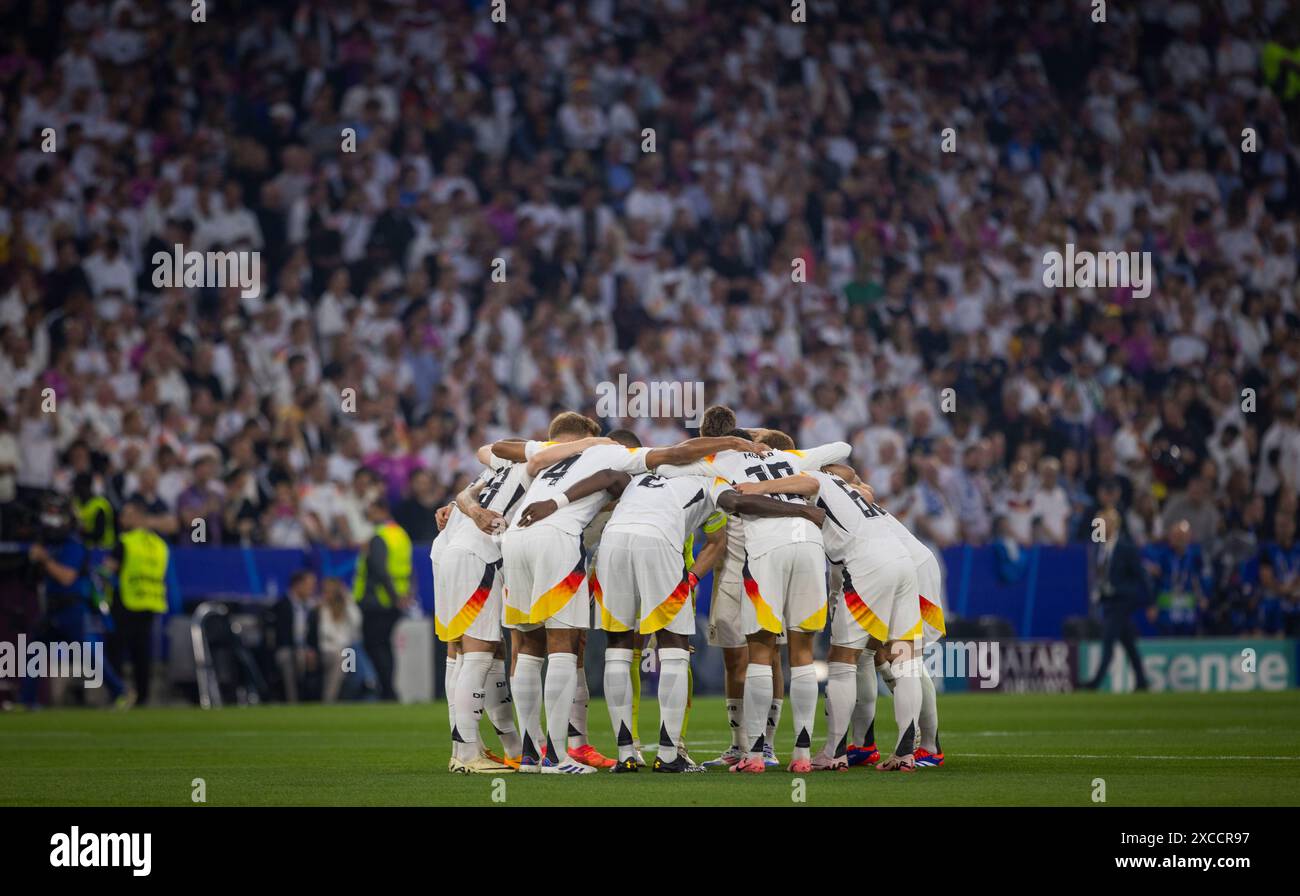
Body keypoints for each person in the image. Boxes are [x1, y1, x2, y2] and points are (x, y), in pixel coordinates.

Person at [520, 432, 825, 773]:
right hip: (658, 540)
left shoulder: (650, 469)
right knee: (674, 645)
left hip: (613, 543)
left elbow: (609, 479)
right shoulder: (715, 479)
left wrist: (556, 502)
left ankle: (626, 755)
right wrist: (801, 511)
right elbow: (738, 504)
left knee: (619, 644)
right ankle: (668, 754)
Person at [22, 495, 125, 707]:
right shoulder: (50, 544)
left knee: (86, 654)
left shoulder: (73, 545)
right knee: (35, 650)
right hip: (53, 608)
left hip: (72, 609)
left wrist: (44, 560)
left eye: (55, 515)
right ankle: (27, 701)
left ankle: (119, 691)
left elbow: (67, 577)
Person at [105, 499, 170, 705]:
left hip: (127, 601)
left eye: (126, 514)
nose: (122, 518)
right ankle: (143, 697)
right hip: (150, 602)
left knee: (116, 649)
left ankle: (118, 694)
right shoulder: (160, 545)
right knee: (141, 654)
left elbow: (108, 570)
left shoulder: (126, 542)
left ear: (136, 518)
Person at [1082, 509, 1151, 691]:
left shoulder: (1125, 547)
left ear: (1113, 525)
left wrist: (1149, 602)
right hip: (1110, 602)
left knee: (1108, 641)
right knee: (1128, 643)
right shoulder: (1101, 548)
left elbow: (1140, 576)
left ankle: (1095, 683)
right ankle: (1142, 681)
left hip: (1122, 601)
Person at [353, 498, 413, 701]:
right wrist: (406, 596)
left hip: (377, 601)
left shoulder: (379, 536)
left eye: (371, 511)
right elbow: (409, 569)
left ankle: (387, 690)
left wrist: (394, 597)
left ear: (381, 510)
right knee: (385, 647)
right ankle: (388, 689)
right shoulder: (401, 535)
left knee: (376, 646)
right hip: (396, 600)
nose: (368, 516)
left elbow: (379, 570)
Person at [273, 570, 319, 703]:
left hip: (307, 649)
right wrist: (299, 649)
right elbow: (281, 635)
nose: (312, 589)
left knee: (343, 659)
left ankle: (320, 701)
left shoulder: (312, 606)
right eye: (309, 586)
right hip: (287, 648)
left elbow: (313, 634)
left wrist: (310, 649)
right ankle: (292, 701)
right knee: (288, 658)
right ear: (297, 585)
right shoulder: (282, 606)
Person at [317, 577, 361, 703]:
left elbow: (357, 622)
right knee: (343, 657)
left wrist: (348, 601)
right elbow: (326, 633)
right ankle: (329, 699)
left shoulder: (345, 609)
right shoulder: (323, 609)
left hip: (346, 649)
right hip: (328, 650)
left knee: (352, 655)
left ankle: (353, 694)